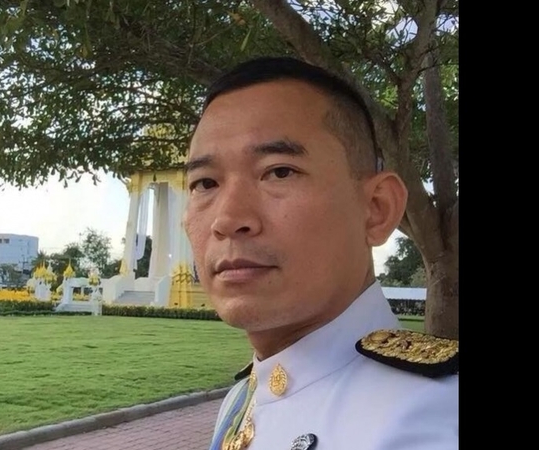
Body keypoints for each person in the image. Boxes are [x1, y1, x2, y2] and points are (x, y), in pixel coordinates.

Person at [182, 57, 458, 450]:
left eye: (279, 171)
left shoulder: (434, 417)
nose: (228, 219)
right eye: (205, 183)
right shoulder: (242, 400)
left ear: (377, 208)